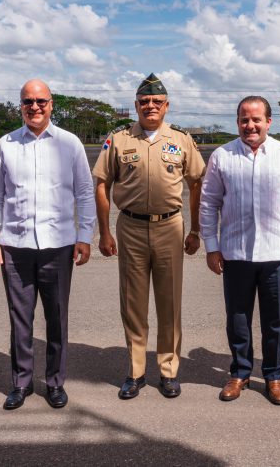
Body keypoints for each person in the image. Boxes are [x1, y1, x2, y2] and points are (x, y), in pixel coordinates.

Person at [0, 79, 95, 410]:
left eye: (41, 101)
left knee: (57, 317)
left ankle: (55, 382)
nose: (34, 107)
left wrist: (85, 236)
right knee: (21, 318)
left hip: (58, 246)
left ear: (51, 104)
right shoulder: (6, 144)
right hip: (14, 247)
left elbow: (85, 192)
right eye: (28, 101)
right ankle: (21, 383)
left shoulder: (69, 143)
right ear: (20, 105)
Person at [94, 73, 205, 399]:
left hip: (170, 226)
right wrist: (103, 232)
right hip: (129, 228)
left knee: (169, 303)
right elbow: (101, 183)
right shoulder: (118, 139)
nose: (151, 106)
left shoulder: (182, 140)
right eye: (145, 102)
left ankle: (169, 371)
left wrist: (196, 230)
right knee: (133, 304)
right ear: (136, 106)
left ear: (166, 106)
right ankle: (136, 370)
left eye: (157, 102)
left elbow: (197, 183)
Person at [200, 96, 280, 405]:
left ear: (269, 122)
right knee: (237, 318)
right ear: (237, 122)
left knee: (276, 320)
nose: (250, 125)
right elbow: (209, 204)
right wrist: (211, 246)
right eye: (244, 120)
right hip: (235, 253)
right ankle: (239, 373)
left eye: (256, 119)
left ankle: (274, 375)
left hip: (277, 253)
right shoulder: (222, 156)